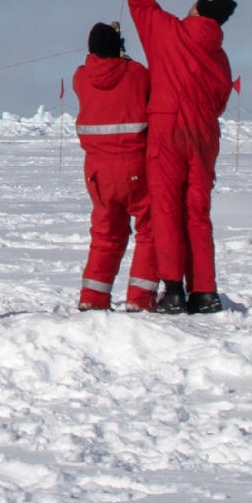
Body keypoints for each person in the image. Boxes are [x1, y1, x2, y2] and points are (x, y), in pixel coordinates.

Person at [121, 0, 234, 315]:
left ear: (199, 9)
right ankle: (204, 292)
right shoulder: (219, 56)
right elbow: (220, 100)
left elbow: (138, 0)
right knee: (198, 213)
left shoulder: (169, 33)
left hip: (168, 131)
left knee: (167, 209)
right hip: (203, 135)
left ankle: (172, 290)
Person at [73, 20, 156, 312]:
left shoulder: (80, 78)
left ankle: (92, 298)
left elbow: (97, 71)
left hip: (96, 172)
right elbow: (139, 77)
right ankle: (140, 298)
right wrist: (124, 54)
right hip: (134, 166)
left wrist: (113, 48)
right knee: (150, 230)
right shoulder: (136, 74)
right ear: (118, 48)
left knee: (105, 234)